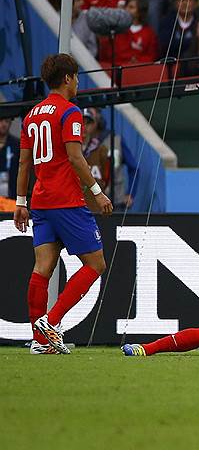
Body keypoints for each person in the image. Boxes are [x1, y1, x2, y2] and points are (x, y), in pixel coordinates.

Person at [15, 53, 114, 355]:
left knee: (42, 268)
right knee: (96, 264)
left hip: (41, 201)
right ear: (68, 78)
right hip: (67, 200)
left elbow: (24, 163)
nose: (78, 83)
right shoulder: (69, 112)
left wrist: (21, 201)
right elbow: (75, 157)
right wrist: (97, 191)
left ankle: (39, 340)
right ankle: (52, 321)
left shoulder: (32, 115)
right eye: (77, 77)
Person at [0, 116, 20, 200]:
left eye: (7, 121)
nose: (4, 124)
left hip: (11, 194)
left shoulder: (16, 144)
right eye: (1, 121)